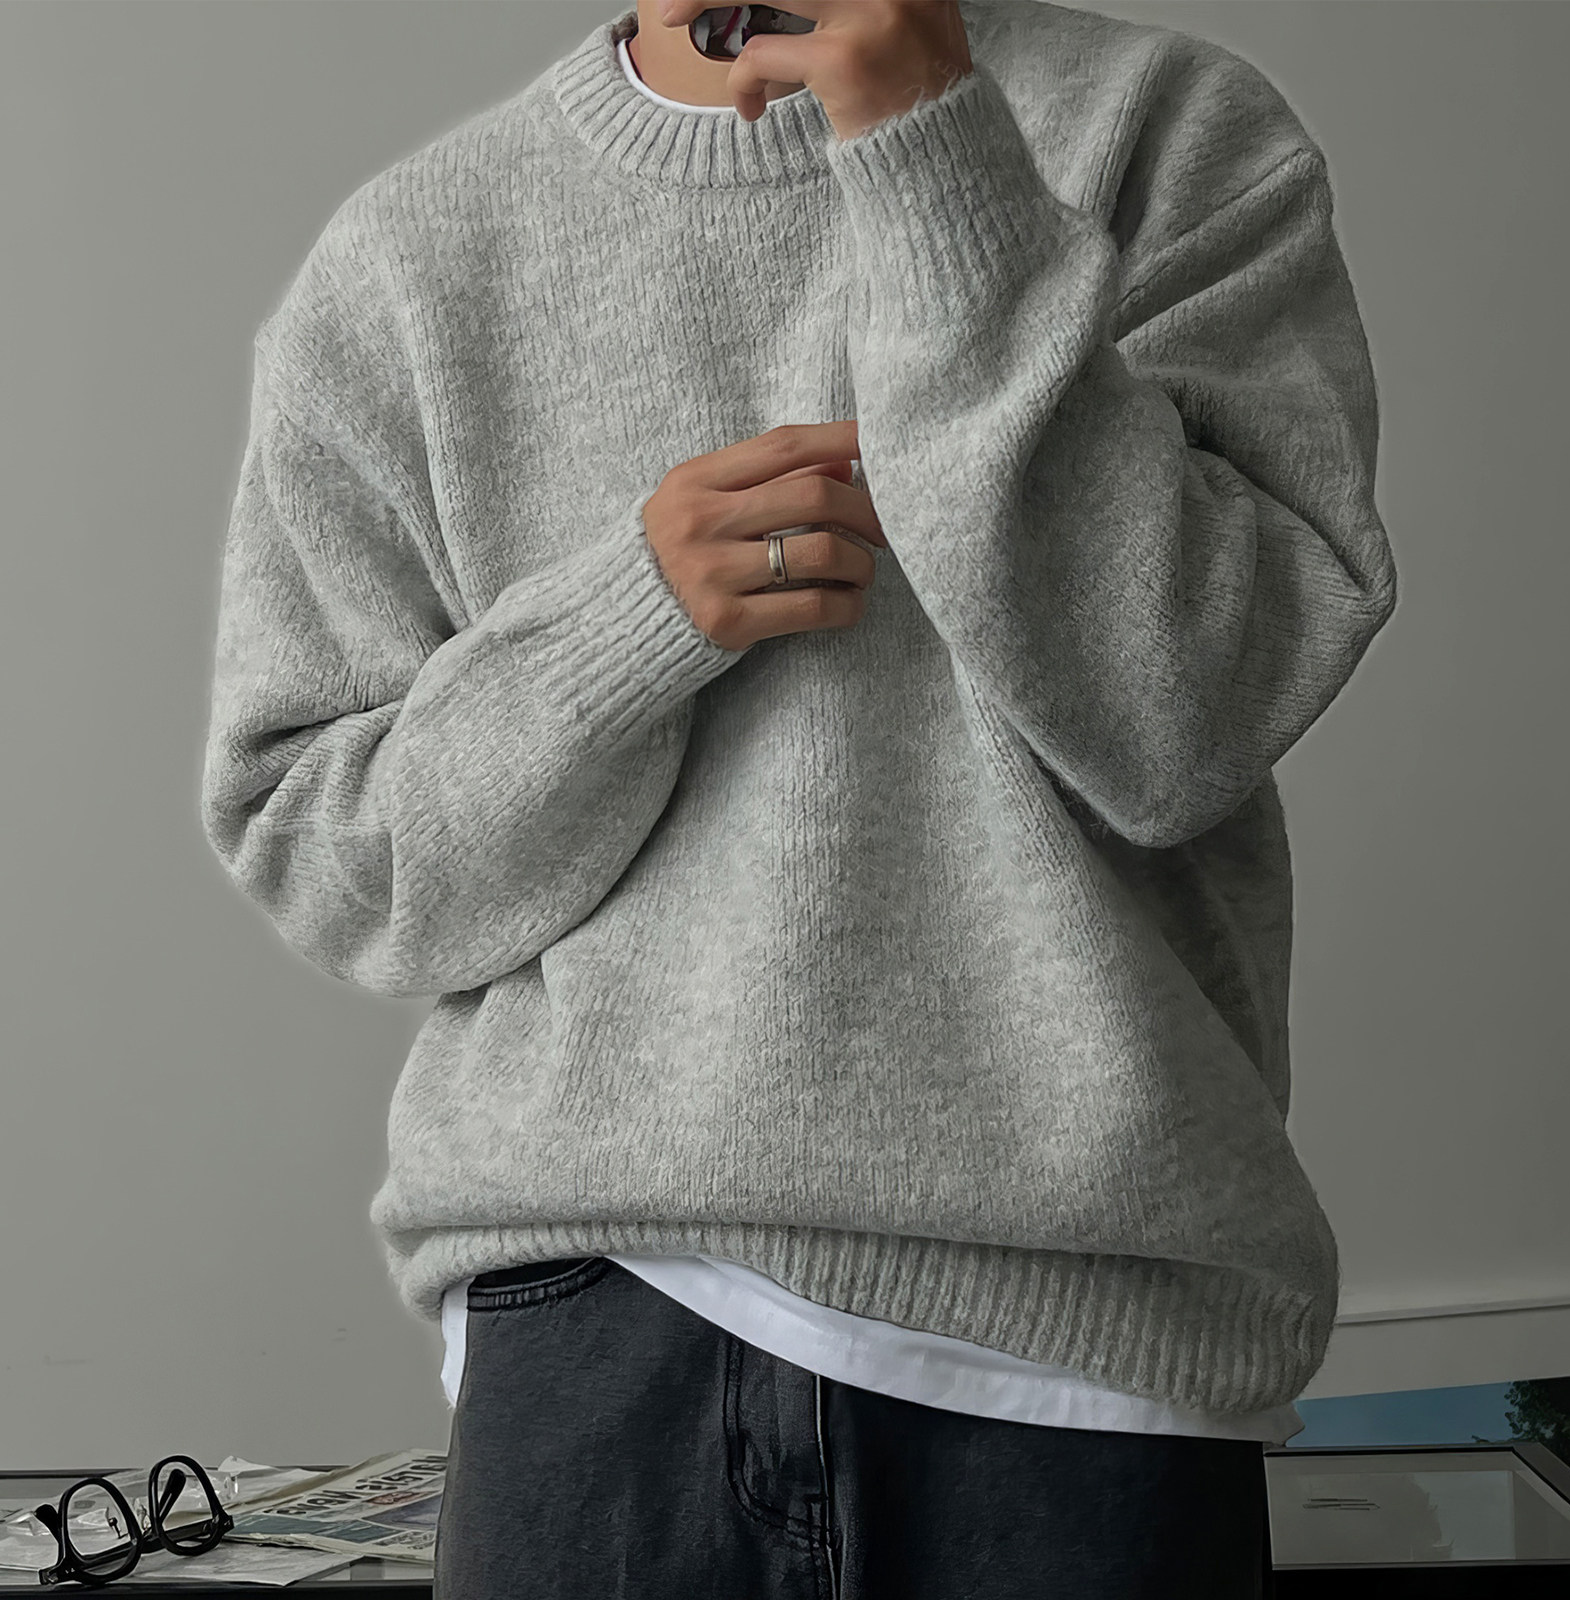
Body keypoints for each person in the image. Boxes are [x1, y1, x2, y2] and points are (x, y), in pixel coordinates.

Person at [199, 1, 1398, 1595]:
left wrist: (936, 155)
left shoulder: (1167, 133)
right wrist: (626, 626)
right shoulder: (409, 257)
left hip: (1085, 1352)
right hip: (598, 1320)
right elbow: (327, 852)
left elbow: (1188, 716)